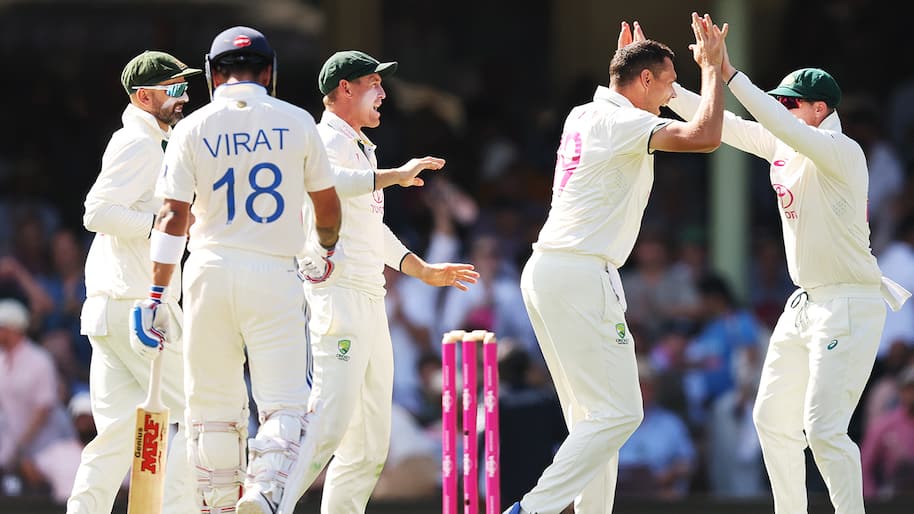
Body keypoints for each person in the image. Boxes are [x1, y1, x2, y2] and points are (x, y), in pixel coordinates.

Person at [665, 23, 913, 514]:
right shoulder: (787, 143)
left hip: (848, 301)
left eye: (791, 102)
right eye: (778, 101)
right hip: (805, 303)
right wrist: (662, 86)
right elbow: (727, 125)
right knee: (771, 421)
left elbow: (775, 125)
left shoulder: (842, 152)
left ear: (820, 110)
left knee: (824, 430)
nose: (782, 108)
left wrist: (727, 70)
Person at [504, 13, 728, 514]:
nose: (672, 94)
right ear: (644, 80)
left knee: (595, 424)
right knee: (622, 413)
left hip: (551, 271)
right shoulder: (623, 121)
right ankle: (531, 510)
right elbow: (705, 137)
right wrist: (712, 70)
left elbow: (629, 85)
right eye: (668, 84)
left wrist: (633, 64)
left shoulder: (583, 114)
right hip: (581, 273)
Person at [132, 26, 342, 513]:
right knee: (286, 405)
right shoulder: (296, 121)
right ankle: (264, 491)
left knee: (210, 411)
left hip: (207, 271)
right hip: (274, 273)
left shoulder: (191, 127)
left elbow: (171, 217)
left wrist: (157, 295)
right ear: (269, 73)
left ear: (211, 74)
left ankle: (219, 504)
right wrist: (323, 248)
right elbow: (329, 209)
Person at [266, 49, 479, 514]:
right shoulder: (322, 138)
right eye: (373, 84)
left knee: (368, 443)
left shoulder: (359, 145)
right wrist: (393, 176)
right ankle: (266, 504)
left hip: (368, 299)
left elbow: (369, 227)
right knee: (328, 424)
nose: (383, 93)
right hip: (336, 296)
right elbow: (328, 182)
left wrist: (419, 268)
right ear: (344, 89)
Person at [66, 50, 201, 514]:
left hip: (111, 309)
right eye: (175, 88)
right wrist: (165, 224)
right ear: (144, 96)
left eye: (186, 86)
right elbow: (96, 212)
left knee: (116, 439)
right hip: (136, 307)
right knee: (197, 418)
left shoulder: (152, 141)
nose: (184, 96)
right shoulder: (138, 143)